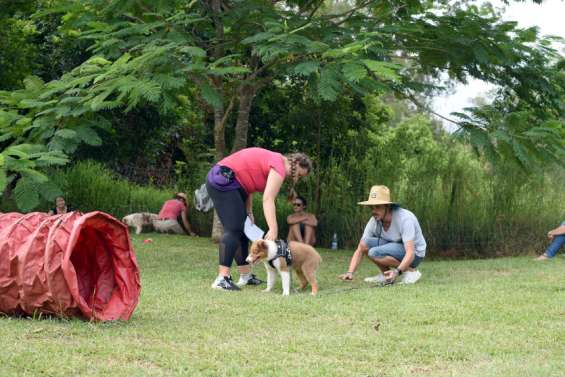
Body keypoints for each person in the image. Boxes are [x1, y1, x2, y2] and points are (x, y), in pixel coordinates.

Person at [206, 147, 312, 291]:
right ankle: (222, 279)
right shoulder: (279, 166)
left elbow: (248, 185)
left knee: (243, 229)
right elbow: (268, 199)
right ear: (297, 162)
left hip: (235, 184)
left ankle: (245, 275)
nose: (296, 178)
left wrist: (249, 211)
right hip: (223, 179)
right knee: (234, 228)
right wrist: (273, 229)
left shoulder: (276, 162)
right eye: (299, 174)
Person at [338, 185, 426, 284]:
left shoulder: (405, 219)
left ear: (387, 207)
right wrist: (350, 272)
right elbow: (360, 248)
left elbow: (410, 252)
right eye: (372, 207)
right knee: (365, 243)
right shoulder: (374, 220)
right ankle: (386, 275)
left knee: (374, 252)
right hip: (396, 248)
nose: (374, 211)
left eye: (378, 207)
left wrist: (397, 272)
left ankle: (411, 272)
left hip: (415, 254)